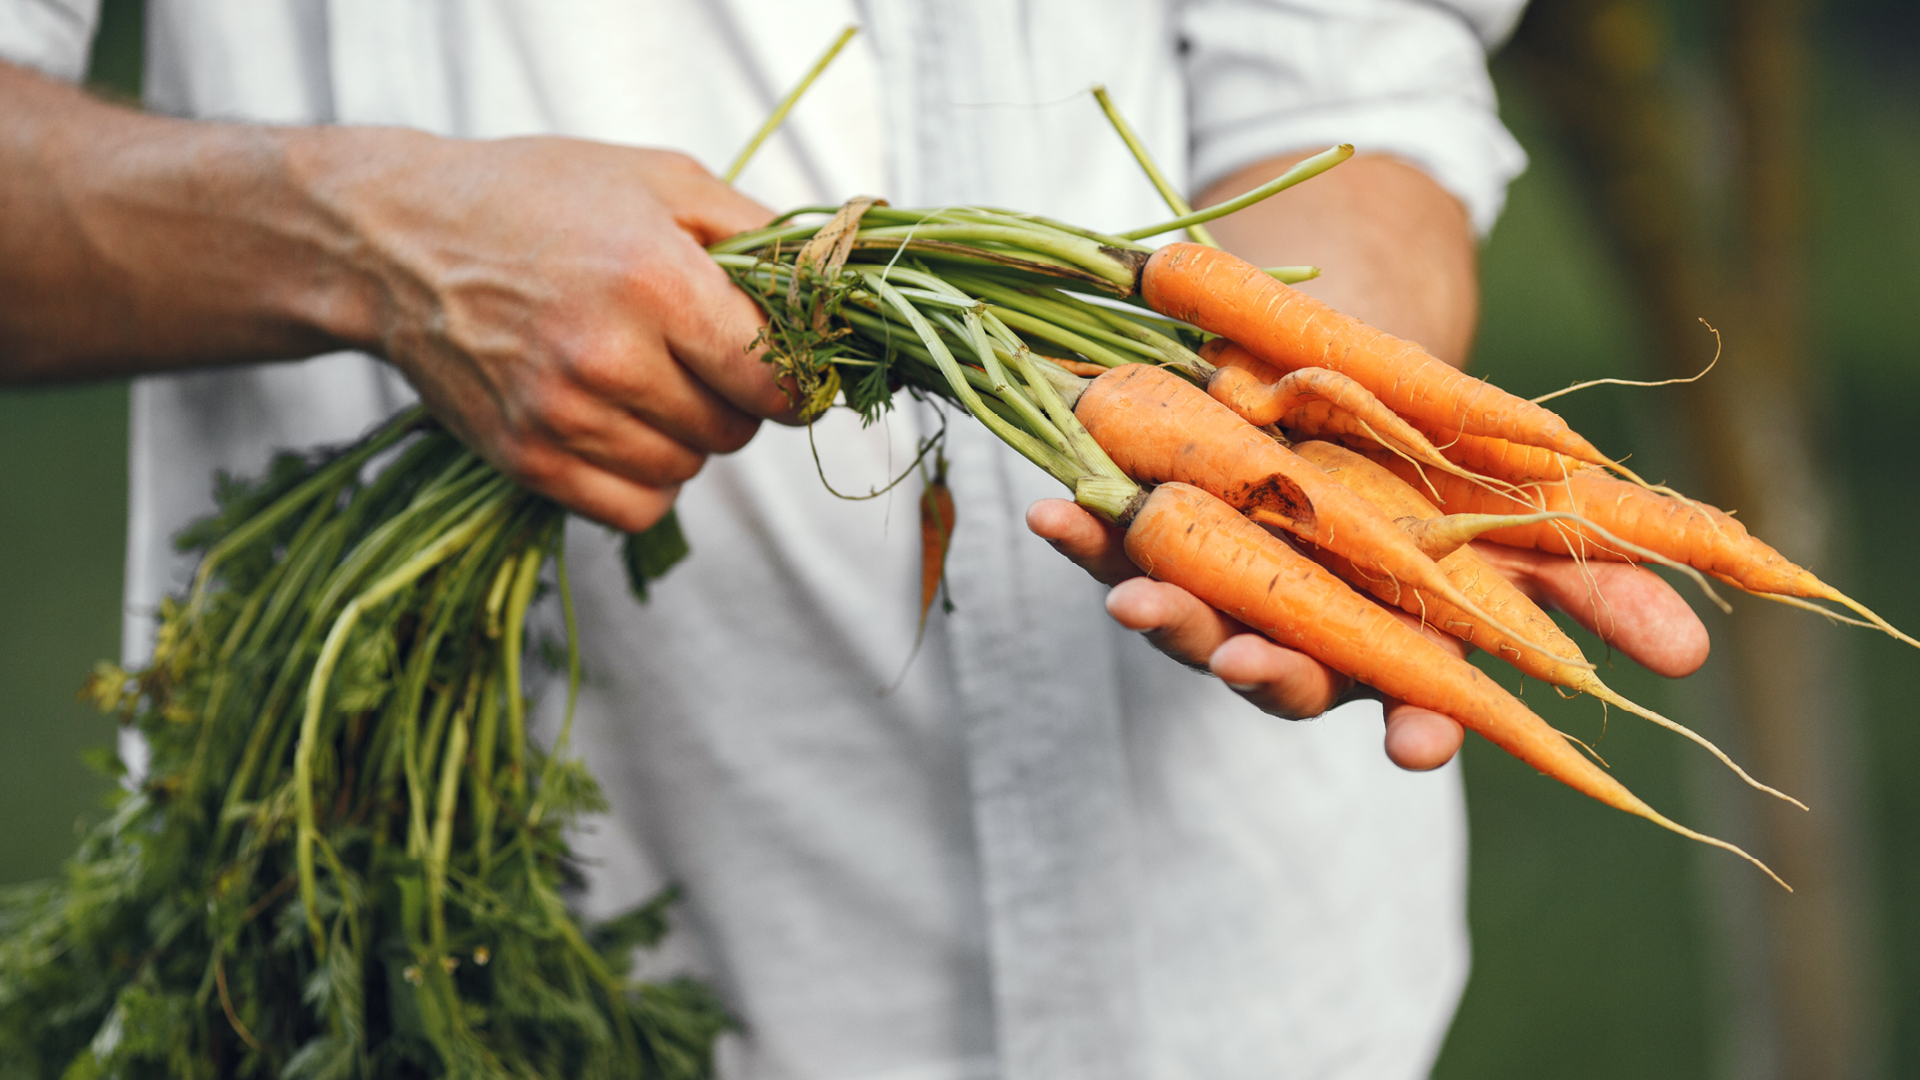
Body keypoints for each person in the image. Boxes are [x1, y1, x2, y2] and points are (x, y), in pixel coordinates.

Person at [0, 2, 1708, 1077]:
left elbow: (1352, 64)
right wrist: (370, 242)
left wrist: (1326, 408)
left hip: (1249, 989)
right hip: (577, 957)